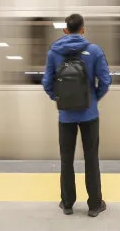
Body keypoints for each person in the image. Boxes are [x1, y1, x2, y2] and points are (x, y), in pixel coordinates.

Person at [42, 13, 111, 217]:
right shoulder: (94, 51)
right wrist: (93, 99)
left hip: (65, 116)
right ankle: (94, 205)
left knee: (66, 159)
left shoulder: (54, 53)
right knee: (91, 159)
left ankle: (68, 203)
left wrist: (60, 99)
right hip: (89, 114)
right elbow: (105, 81)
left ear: (65, 30)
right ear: (83, 29)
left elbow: (46, 83)